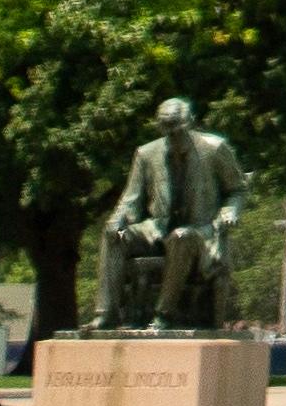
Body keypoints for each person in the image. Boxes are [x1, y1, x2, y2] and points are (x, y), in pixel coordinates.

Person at [97, 96, 245, 334]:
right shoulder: (146, 154)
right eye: (168, 130)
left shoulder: (215, 149)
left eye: (178, 129)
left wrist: (230, 212)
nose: (174, 136)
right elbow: (130, 199)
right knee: (112, 234)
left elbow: (237, 190)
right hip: (156, 228)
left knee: (180, 237)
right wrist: (117, 221)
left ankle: (162, 315)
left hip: (201, 232)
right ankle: (106, 314)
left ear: (191, 123)